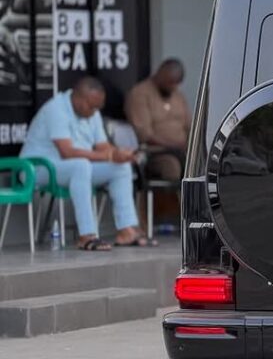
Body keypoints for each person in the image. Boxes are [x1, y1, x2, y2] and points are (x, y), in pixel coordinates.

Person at [20, 76, 155, 251]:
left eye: (98, 107)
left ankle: (126, 231)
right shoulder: (56, 109)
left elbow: (103, 146)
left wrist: (118, 154)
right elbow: (67, 152)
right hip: (37, 169)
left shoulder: (93, 112)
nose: (95, 111)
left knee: (119, 168)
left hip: (71, 169)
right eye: (92, 106)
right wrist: (109, 156)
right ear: (78, 98)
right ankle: (87, 235)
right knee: (80, 165)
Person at [126, 58, 190, 180]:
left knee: (201, 163)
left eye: (177, 83)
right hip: (155, 153)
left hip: (182, 150)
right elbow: (144, 135)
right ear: (160, 74)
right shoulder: (140, 94)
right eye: (170, 82)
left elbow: (190, 126)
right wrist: (174, 146)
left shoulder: (178, 96)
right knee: (171, 166)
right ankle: (173, 200)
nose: (173, 87)